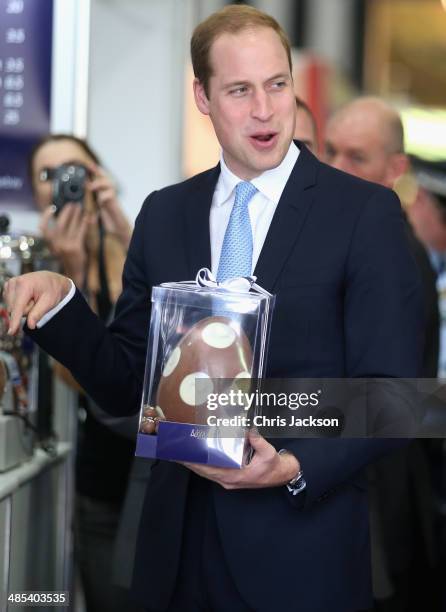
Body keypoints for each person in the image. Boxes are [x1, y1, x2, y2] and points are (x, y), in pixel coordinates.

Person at [5, 6, 422, 612]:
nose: (264, 110)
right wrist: (63, 307)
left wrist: (293, 462)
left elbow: (399, 394)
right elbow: (130, 383)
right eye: (239, 90)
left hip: (299, 555)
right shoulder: (165, 213)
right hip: (175, 552)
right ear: (202, 96)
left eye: (277, 85)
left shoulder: (362, 214)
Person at [325, 98, 439, 611]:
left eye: (357, 157)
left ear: (396, 169)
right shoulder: (349, 240)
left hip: (371, 505)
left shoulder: (395, 256)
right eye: (330, 151)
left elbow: (395, 403)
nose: (337, 169)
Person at [29, 134, 141, 612]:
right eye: (46, 175)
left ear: (98, 176)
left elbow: (178, 338)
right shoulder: (39, 267)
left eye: (73, 169)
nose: (62, 183)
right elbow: (80, 378)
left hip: (158, 469)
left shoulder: (134, 251)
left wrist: (123, 226)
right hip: (102, 482)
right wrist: (72, 275)